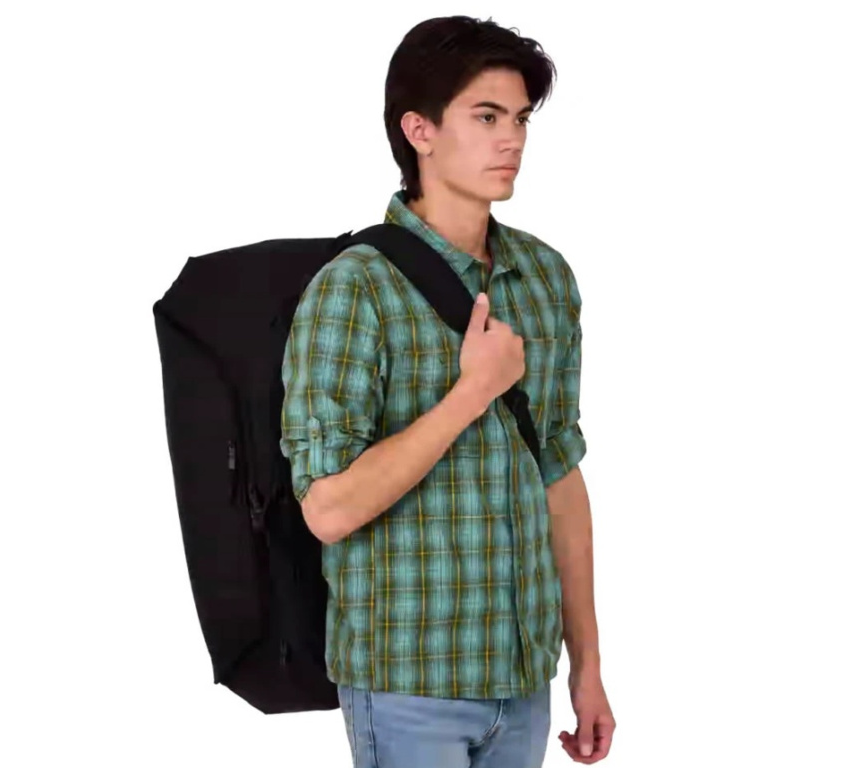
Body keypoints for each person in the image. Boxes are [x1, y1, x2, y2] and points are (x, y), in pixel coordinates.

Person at [279, 15, 615, 767]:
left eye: (521, 119)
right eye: (487, 117)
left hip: (524, 679)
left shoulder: (545, 278)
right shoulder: (353, 289)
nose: (512, 140)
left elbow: (560, 478)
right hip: (407, 683)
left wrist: (587, 666)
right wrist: (472, 393)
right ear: (419, 130)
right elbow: (328, 510)